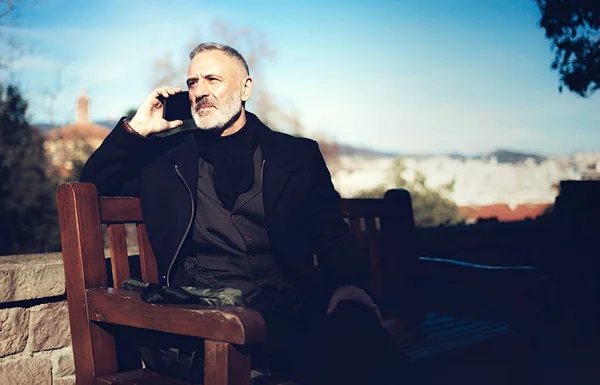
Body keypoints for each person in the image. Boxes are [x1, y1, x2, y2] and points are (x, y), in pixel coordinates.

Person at [80, 42, 414, 384]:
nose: (200, 92)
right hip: (211, 315)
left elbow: (331, 234)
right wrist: (137, 129)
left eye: (212, 79)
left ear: (245, 89)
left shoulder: (296, 155)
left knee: (364, 340)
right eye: (192, 83)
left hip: (293, 310)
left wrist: (348, 285)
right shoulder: (167, 159)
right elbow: (94, 183)